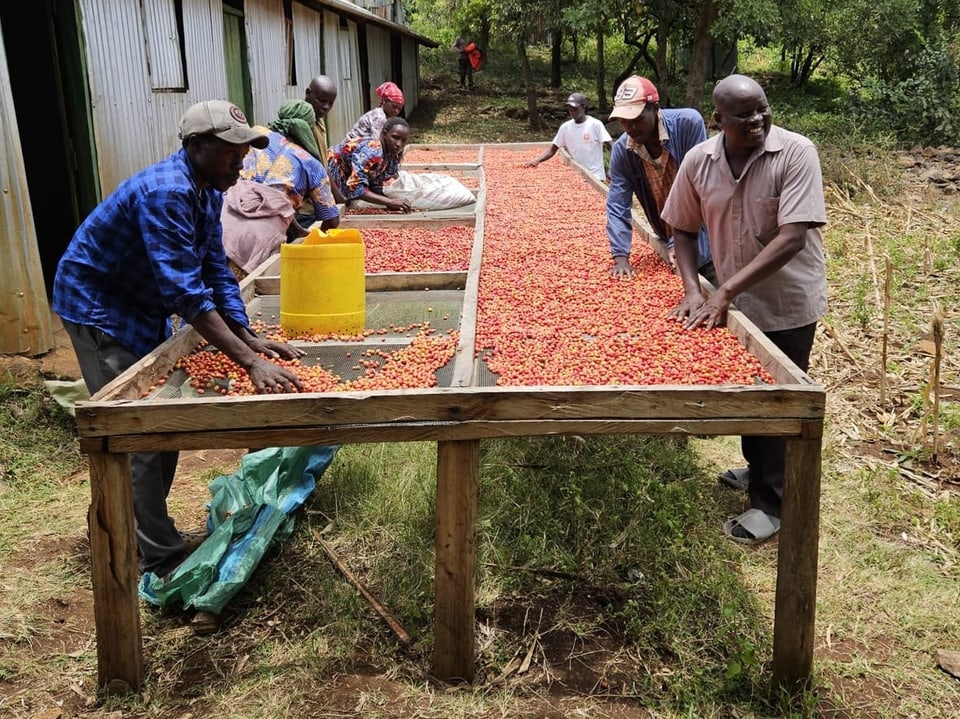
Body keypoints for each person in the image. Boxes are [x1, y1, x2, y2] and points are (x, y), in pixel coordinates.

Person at [52, 100, 306, 582]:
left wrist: (247, 333)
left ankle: (140, 531)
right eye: (231, 150)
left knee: (159, 430)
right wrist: (249, 361)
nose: (241, 160)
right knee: (139, 433)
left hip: (140, 303)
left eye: (244, 150)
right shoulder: (167, 192)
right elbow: (186, 294)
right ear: (195, 146)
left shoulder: (210, 189)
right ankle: (158, 555)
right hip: (100, 307)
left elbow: (214, 268)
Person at [662, 74, 828, 545]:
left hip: (787, 301)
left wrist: (724, 291)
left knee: (779, 396)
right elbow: (683, 229)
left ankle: (770, 506)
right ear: (719, 119)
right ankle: (760, 468)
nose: (756, 120)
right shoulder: (699, 161)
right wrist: (694, 289)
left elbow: (792, 237)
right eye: (743, 114)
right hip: (734, 302)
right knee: (751, 390)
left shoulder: (795, 153)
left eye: (762, 109)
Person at [605, 76, 716, 284]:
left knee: (716, 291)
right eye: (623, 121)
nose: (630, 128)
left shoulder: (688, 124)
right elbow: (617, 205)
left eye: (637, 119)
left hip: (707, 236)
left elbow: (698, 188)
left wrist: (679, 240)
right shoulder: (623, 151)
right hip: (667, 236)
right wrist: (621, 257)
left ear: (655, 108)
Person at [221, 99, 340, 274]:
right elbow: (332, 220)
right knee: (237, 288)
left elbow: (267, 191)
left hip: (224, 216)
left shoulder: (257, 134)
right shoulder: (311, 163)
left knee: (209, 279)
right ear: (310, 128)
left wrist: (298, 230)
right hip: (261, 236)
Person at [327, 116, 413, 213]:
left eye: (403, 140)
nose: (399, 144)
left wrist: (393, 200)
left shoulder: (391, 155)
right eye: (395, 137)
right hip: (330, 170)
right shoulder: (373, 150)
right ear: (384, 134)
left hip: (346, 174)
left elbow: (374, 184)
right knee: (338, 204)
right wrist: (389, 201)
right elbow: (356, 187)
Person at [524, 92, 612, 182]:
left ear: (584, 107)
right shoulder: (565, 128)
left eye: (575, 109)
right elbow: (552, 150)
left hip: (595, 176)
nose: (572, 112)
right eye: (570, 109)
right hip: (577, 176)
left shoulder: (595, 125)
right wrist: (537, 160)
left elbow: (612, 146)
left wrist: (611, 168)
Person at [303, 74, 343, 205]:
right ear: (308, 94)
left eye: (331, 103)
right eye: (321, 101)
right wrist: (337, 198)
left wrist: (337, 196)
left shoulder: (318, 120)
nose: (326, 107)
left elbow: (324, 164)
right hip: (304, 205)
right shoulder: (304, 124)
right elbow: (318, 168)